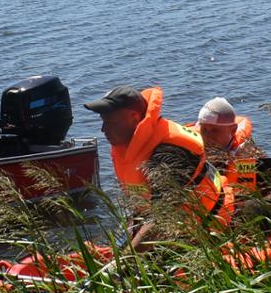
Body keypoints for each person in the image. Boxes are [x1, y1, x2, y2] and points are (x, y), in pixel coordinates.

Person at [85, 86, 224, 227]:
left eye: (111, 123)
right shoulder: (128, 146)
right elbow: (145, 211)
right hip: (177, 225)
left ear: (134, 118)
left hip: (212, 228)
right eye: (103, 121)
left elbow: (162, 217)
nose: (103, 129)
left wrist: (124, 249)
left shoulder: (168, 154)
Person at [190, 97, 271, 218]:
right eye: (204, 130)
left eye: (214, 130)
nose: (207, 137)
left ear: (233, 130)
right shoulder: (192, 157)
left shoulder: (249, 158)